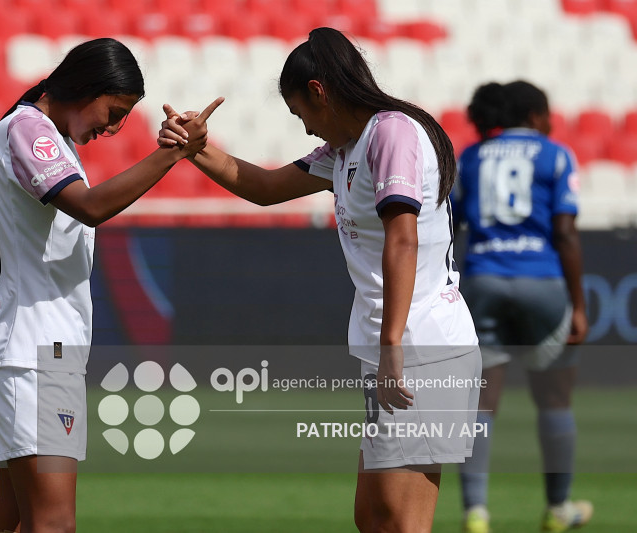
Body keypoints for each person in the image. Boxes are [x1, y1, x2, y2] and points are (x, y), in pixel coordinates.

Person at [159, 27, 481, 533]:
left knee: (401, 521)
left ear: (319, 92)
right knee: (372, 517)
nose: (306, 129)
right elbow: (263, 187)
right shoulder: (345, 150)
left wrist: (393, 344)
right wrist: (196, 147)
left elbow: (403, 238)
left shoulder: (390, 132)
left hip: (422, 343)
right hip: (392, 343)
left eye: (301, 114)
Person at [0, 37, 221, 533]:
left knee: (18, 521)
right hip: (34, 348)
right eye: (114, 110)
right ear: (86, 86)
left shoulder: (44, 134)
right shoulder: (28, 127)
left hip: (40, 349)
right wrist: (171, 154)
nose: (112, 126)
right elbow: (90, 206)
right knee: (54, 522)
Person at [452, 81, 592, 533]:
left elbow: (450, 223)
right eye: (548, 114)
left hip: (485, 280)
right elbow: (566, 234)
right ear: (534, 116)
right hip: (542, 282)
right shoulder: (554, 154)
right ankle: (557, 509)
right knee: (554, 401)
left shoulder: (472, 157)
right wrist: (578, 303)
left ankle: (476, 512)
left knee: (479, 406)